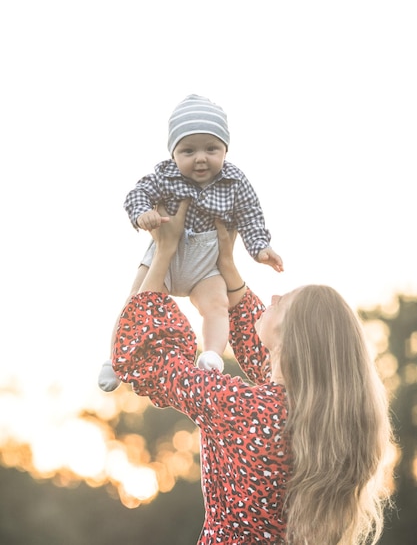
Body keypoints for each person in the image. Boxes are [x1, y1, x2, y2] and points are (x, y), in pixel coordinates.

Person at [111, 200, 394, 545]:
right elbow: (261, 347)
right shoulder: (320, 418)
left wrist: (164, 254)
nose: (272, 296)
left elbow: (149, 359)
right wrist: (227, 264)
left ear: (294, 340)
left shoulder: (246, 409)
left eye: (283, 302)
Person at [98, 93, 283, 391]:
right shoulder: (165, 175)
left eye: (211, 148)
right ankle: (115, 359)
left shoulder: (234, 181)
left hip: (206, 265)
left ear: (225, 150)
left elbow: (250, 215)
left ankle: (210, 355)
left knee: (217, 304)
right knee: (136, 301)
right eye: (188, 150)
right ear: (174, 154)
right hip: (167, 255)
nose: (200, 158)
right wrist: (143, 213)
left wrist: (260, 247)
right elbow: (136, 194)